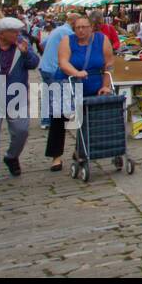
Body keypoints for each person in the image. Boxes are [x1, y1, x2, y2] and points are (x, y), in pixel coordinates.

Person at [47, 15, 115, 172]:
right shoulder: (67, 41)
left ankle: (80, 150)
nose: (81, 30)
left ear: (91, 27)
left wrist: (106, 85)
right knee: (59, 118)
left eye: (84, 27)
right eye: (78, 27)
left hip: (92, 83)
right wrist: (76, 72)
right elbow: (63, 62)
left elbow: (109, 64)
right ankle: (56, 156)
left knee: (87, 118)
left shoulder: (101, 40)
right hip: (67, 82)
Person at [0, 18, 42, 187]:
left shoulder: (22, 44)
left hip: (16, 97)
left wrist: (26, 53)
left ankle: (11, 156)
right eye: (14, 32)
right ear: (1, 33)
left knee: (21, 131)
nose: (18, 34)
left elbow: (34, 63)